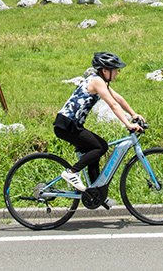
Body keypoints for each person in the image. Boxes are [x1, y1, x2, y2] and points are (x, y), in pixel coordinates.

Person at [54, 52, 145, 208]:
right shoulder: (96, 82)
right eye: (115, 69)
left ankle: (96, 194)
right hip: (67, 125)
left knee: (94, 152)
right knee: (100, 146)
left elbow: (118, 98)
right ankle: (71, 173)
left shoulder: (101, 82)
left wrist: (133, 114)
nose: (117, 73)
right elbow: (113, 105)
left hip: (72, 125)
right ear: (105, 70)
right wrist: (128, 124)